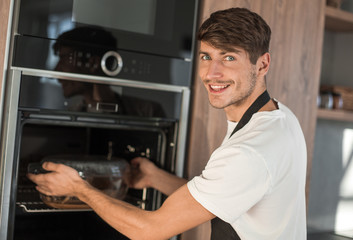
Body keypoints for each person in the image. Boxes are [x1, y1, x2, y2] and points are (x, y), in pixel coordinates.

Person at [28, 7, 307, 239]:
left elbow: (150, 230)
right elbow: (220, 195)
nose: (212, 73)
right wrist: (155, 178)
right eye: (206, 56)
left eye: (229, 58)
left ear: (262, 65)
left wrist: (79, 188)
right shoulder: (280, 118)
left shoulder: (247, 152)